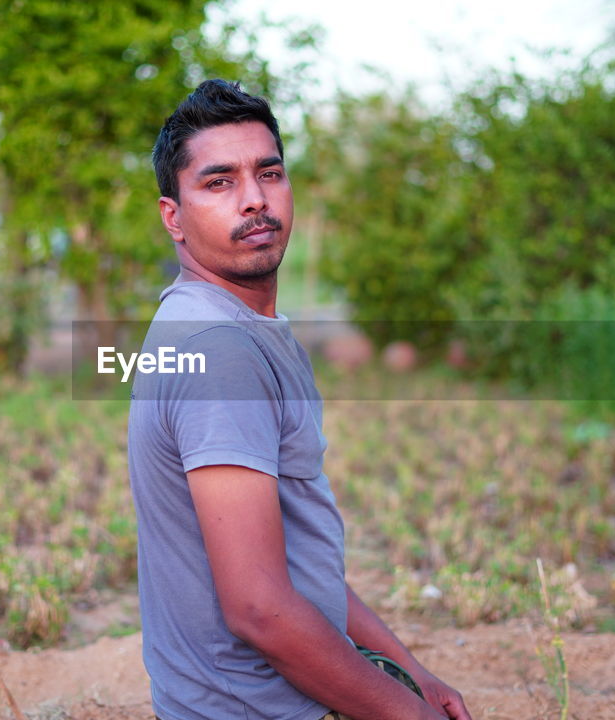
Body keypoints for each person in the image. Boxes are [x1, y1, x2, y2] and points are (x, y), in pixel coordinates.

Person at [127, 79, 472, 720]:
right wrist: (407, 715)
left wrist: (410, 673)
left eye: (270, 173)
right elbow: (260, 607)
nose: (255, 199)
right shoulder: (219, 350)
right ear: (173, 217)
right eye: (219, 182)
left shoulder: (234, 327)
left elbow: (293, 562)